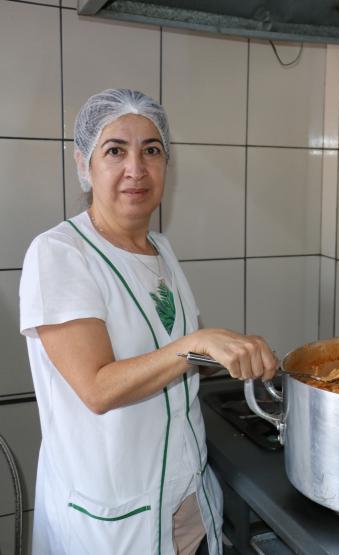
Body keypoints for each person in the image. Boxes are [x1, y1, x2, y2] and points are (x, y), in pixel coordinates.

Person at [19, 89, 278, 555]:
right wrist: (196, 343)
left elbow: (173, 358)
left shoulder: (161, 249)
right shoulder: (59, 254)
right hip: (113, 522)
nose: (135, 169)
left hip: (186, 501)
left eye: (151, 151)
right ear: (85, 165)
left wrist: (231, 351)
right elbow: (97, 388)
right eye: (115, 150)